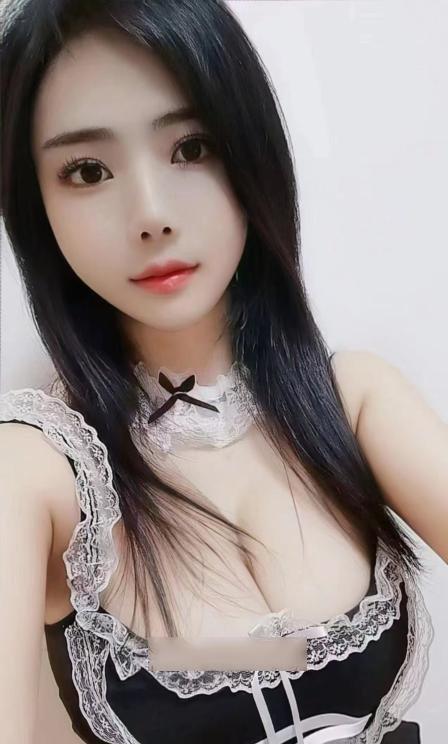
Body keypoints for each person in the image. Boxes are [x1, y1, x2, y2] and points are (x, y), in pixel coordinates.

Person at [0, 1, 444, 742]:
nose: (151, 214)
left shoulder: (355, 403)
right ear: (35, 205)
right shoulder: (32, 475)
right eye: (88, 170)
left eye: (192, 147)